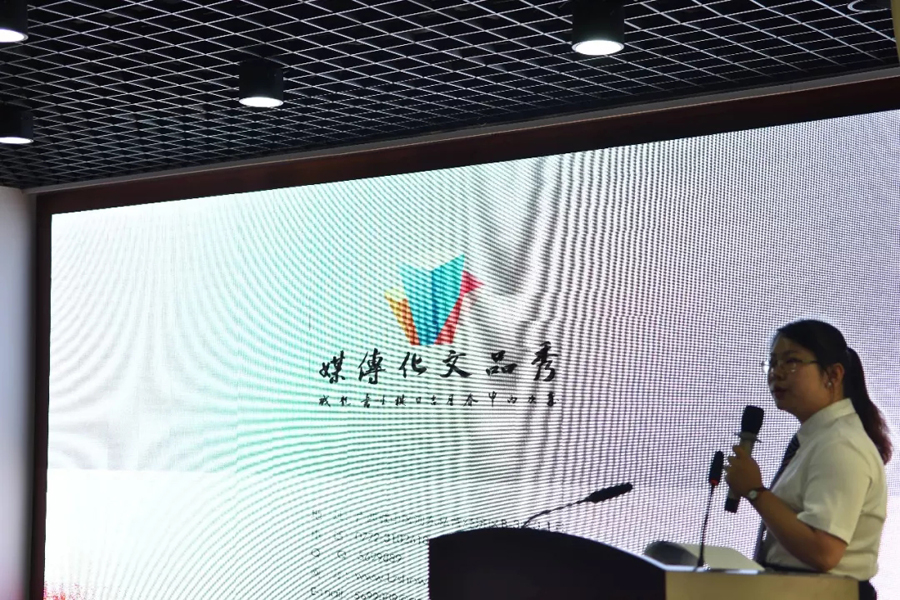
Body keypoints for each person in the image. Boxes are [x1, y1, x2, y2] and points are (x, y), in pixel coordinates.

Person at [724, 319, 890, 600]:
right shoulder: (818, 439)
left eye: (791, 362)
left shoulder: (841, 445)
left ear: (833, 375)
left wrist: (755, 491)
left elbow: (824, 553)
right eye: (772, 363)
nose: (776, 373)